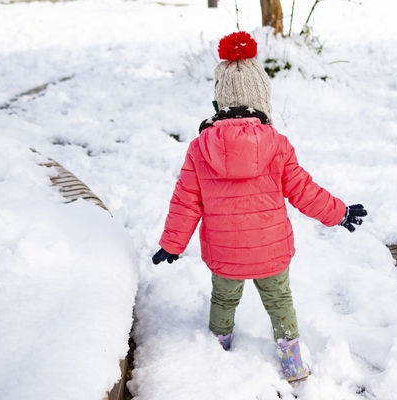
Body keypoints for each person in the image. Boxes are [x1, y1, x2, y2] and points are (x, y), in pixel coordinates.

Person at [152, 31, 367, 383]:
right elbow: (304, 190)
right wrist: (338, 212)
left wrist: (171, 244)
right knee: (280, 302)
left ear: (219, 103)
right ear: (262, 100)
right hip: (271, 253)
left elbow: (185, 200)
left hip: (225, 253)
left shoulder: (199, 149)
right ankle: (292, 363)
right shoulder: (277, 145)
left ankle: (216, 350)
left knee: (223, 302)